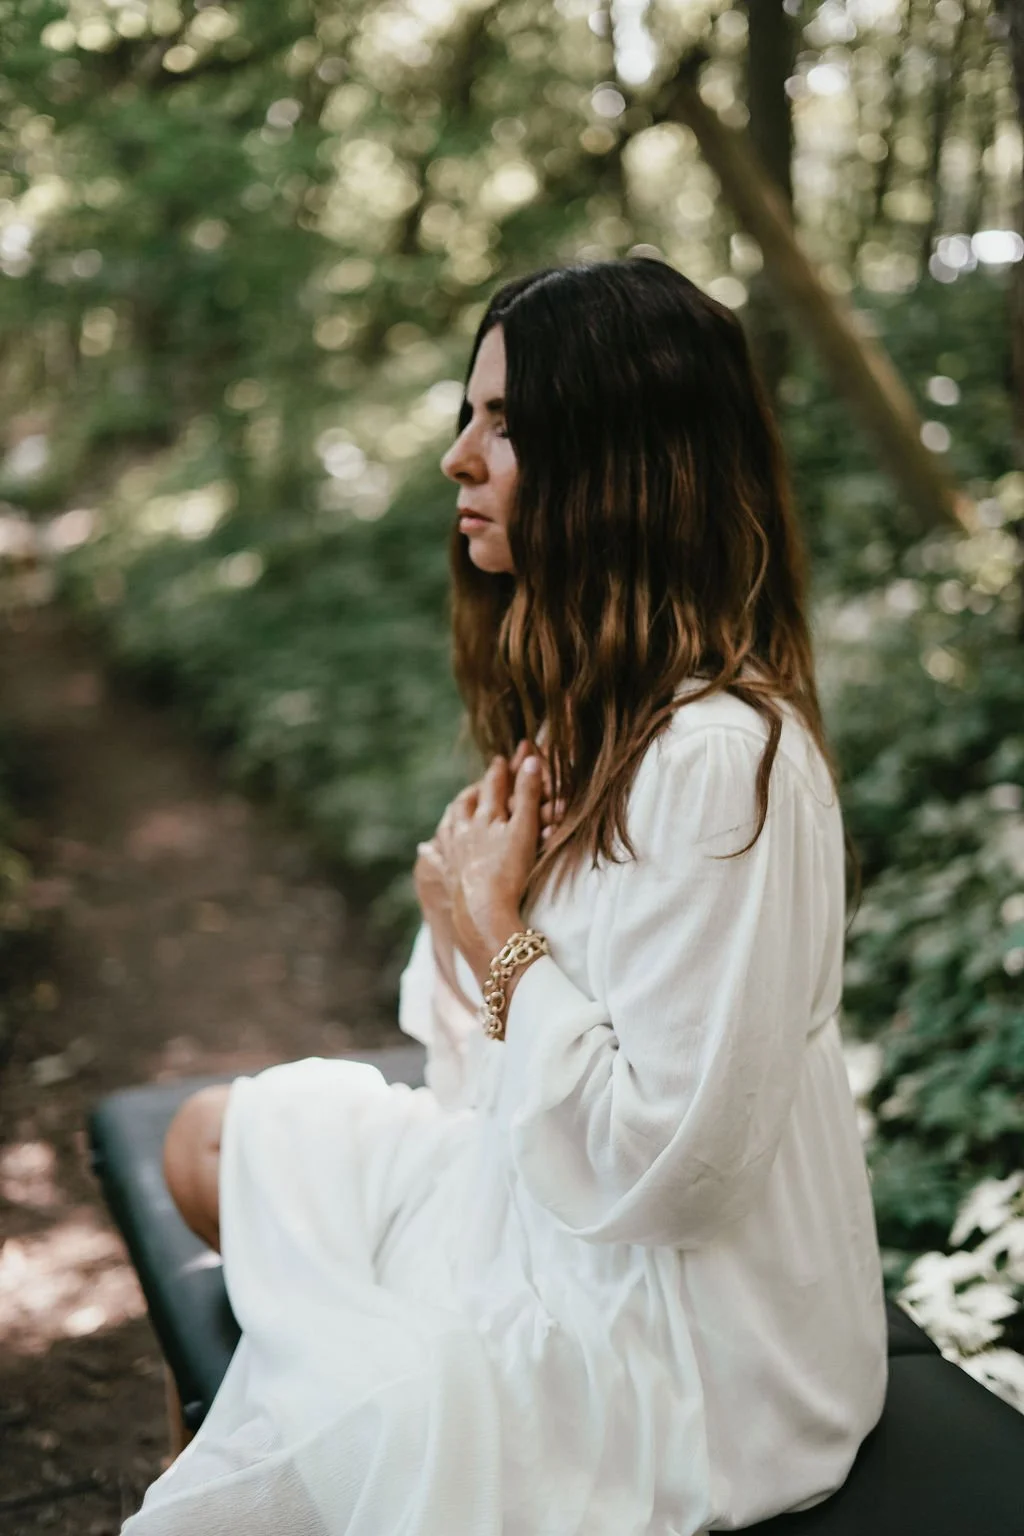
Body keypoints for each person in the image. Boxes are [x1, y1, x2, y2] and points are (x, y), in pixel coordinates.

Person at [129, 258, 887, 1536]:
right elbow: (482, 1096)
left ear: (624, 466)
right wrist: (465, 931)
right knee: (208, 1141)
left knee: (336, 1423)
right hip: (543, 1195)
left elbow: (669, 1175)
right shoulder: (598, 720)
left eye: (505, 425)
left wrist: (499, 934)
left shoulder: (720, 760)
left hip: (683, 1345)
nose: (456, 460)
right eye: (466, 414)